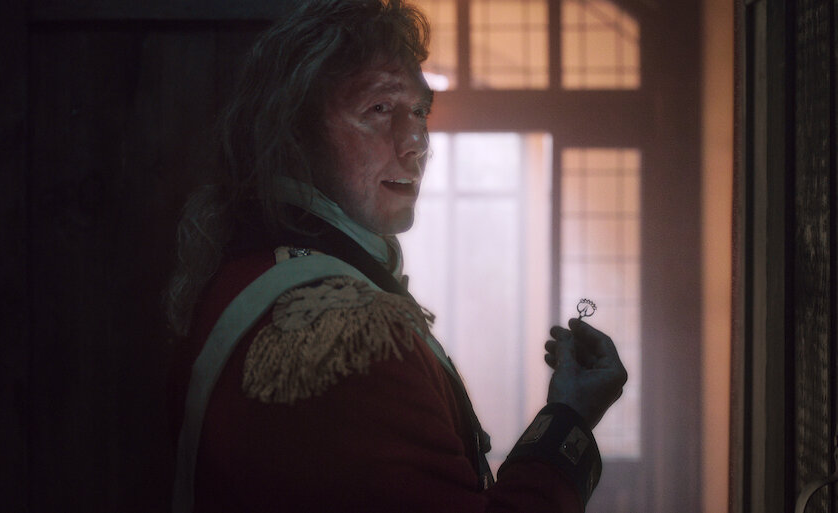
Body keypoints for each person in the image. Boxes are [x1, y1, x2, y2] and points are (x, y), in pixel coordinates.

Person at [165, 1, 628, 512]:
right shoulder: (339, 330)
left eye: (420, 111)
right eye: (379, 108)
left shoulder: (257, 276)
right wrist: (571, 417)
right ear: (293, 133)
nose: (416, 142)